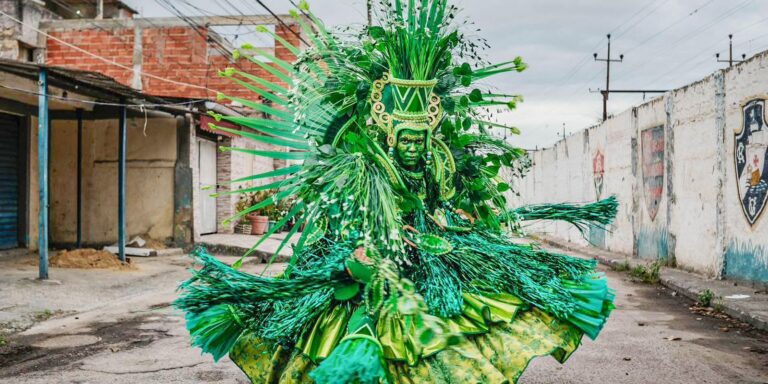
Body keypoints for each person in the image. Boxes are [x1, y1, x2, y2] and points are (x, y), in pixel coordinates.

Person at [176, 1, 617, 383]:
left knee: (468, 312)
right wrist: (364, 252)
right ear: (388, 135)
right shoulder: (363, 168)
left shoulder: (438, 163)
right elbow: (348, 218)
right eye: (405, 139)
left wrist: (451, 222)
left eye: (418, 140)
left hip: (425, 252)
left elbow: (438, 205)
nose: (412, 147)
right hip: (368, 252)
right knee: (354, 316)